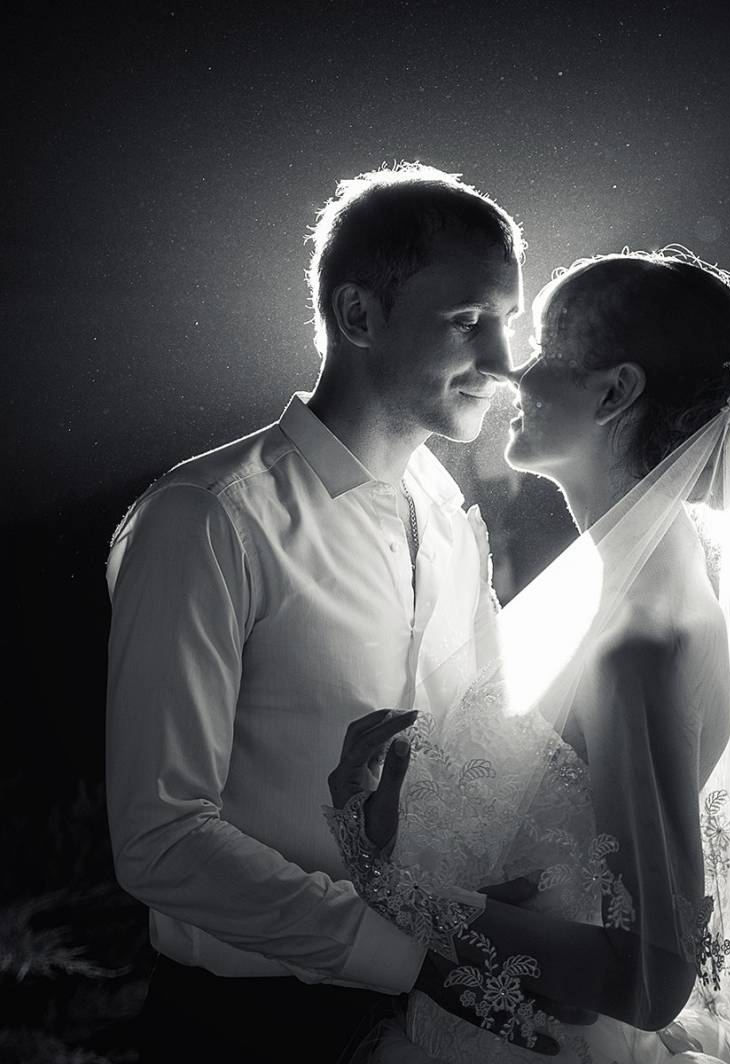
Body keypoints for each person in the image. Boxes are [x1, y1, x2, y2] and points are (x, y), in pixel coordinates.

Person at [326, 248, 730, 1062]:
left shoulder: (641, 644)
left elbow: (651, 976)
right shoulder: (619, 591)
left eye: (544, 350)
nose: (509, 375)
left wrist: (389, 888)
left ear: (614, 393)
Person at [104, 162, 527, 1063]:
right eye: (468, 322)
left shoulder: (452, 521)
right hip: (242, 1032)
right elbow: (160, 839)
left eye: (507, 323)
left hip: (433, 1027)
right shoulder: (209, 518)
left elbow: (485, 759)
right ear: (358, 315)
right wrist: (409, 960)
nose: (501, 362)